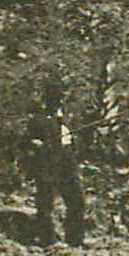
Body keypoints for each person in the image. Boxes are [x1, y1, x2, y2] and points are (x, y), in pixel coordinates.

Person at [27, 81, 85, 247]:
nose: (58, 102)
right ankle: (47, 240)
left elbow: (75, 142)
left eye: (61, 98)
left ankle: (75, 239)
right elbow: (29, 142)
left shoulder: (68, 118)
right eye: (55, 98)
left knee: (76, 199)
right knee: (45, 201)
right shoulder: (38, 119)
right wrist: (39, 145)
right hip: (47, 162)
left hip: (67, 161)